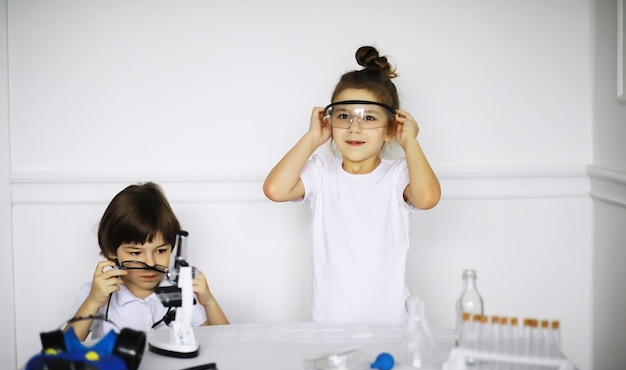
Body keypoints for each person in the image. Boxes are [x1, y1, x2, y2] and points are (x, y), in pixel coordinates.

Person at [263, 46, 441, 324]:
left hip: (390, 323)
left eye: (369, 117)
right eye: (344, 116)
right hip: (329, 321)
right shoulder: (322, 172)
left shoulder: (398, 176)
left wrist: (411, 143)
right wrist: (312, 138)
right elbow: (275, 190)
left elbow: (427, 198)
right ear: (329, 121)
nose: (354, 128)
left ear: (391, 128)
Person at [66, 182, 229, 341]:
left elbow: (224, 343)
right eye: (136, 252)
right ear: (111, 251)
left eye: (160, 251)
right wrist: (93, 302)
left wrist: (208, 301)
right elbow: (60, 351)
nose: (150, 263)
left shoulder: (179, 290)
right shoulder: (95, 293)